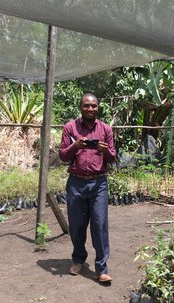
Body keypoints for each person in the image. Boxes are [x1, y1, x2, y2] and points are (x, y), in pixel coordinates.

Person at [58, 93, 116, 284]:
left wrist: (104, 150)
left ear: (98, 108)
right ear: (80, 107)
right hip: (76, 183)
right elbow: (63, 156)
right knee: (76, 225)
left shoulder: (106, 129)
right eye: (86, 106)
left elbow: (113, 157)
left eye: (94, 106)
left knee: (99, 225)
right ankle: (78, 259)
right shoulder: (70, 128)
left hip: (98, 183)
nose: (90, 109)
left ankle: (101, 268)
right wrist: (75, 146)